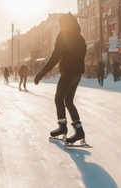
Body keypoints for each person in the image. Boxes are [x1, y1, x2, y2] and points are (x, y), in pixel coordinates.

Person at [34, 12, 87, 146]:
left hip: (68, 72)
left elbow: (55, 56)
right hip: (77, 73)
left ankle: (63, 126)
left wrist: (41, 72)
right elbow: (83, 54)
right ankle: (78, 130)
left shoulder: (63, 35)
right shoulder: (80, 38)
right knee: (68, 101)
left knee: (59, 99)